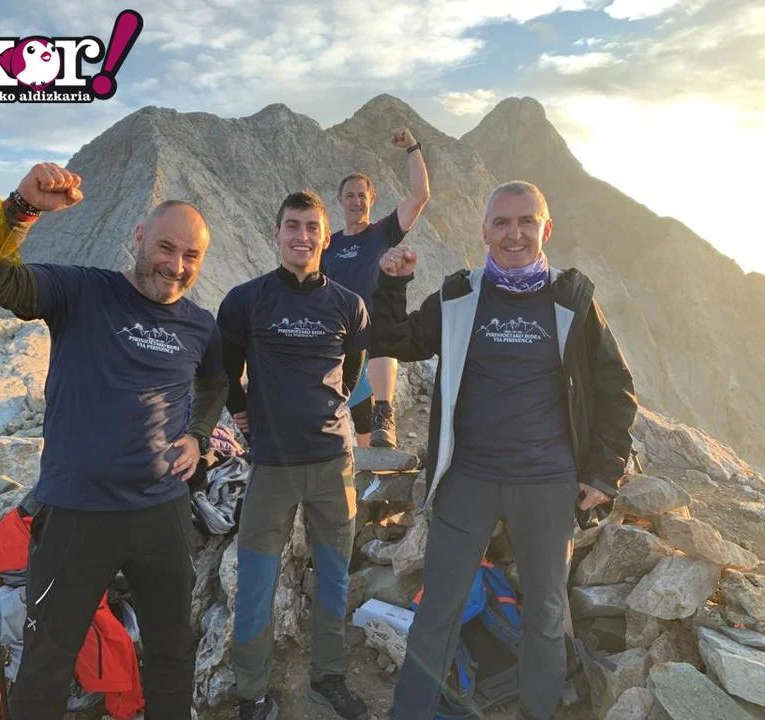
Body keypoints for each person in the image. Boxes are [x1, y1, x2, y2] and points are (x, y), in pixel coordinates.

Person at [0, 162, 228, 719]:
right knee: (48, 658)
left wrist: (198, 435)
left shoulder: (200, 325)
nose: (176, 266)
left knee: (172, 650)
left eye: (191, 255)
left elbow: (217, 382)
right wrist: (20, 210)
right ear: (139, 237)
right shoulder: (81, 291)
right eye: (166, 247)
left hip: (161, 512)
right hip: (76, 512)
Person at [372, 181, 638, 720]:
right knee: (438, 609)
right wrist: (393, 285)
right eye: (501, 223)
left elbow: (617, 390)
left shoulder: (573, 301)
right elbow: (397, 341)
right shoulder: (459, 297)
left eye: (526, 221)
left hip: (547, 482)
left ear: (546, 228)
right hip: (468, 477)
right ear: (484, 232)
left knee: (545, 613)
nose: (514, 234)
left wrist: (603, 474)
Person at [217, 190, 370, 720]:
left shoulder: (348, 305)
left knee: (334, 577)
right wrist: (241, 411)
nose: (302, 236)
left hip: (333, 465)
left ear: (326, 238)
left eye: (312, 227)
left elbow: (351, 375)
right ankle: (252, 694)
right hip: (272, 468)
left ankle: (328, 678)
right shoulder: (246, 300)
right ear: (276, 233)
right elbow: (224, 369)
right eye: (292, 226)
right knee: (256, 583)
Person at [322, 126, 430, 448]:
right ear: (340, 201)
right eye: (350, 196)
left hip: (376, 331)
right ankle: (368, 466)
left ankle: (386, 412)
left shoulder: (382, 233)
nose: (356, 201)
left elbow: (420, 196)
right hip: (341, 335)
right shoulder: (329, 245)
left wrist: (412, 147)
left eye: (362, 195)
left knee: (381, 336)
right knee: (361, 419)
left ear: (372, 198)